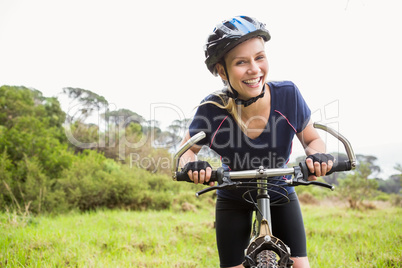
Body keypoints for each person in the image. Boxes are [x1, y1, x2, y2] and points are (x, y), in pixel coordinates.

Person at [178, 15, 334, 268]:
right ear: (221, 70)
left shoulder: (288, 95)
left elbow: (312, 139)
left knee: (300, 265)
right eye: (241, 62)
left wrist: (316, 157)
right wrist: (193, 165)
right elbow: (186, 151)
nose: (254, 69)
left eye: (259, 57)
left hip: (280, 186)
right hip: (233, 192)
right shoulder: (212, 108)